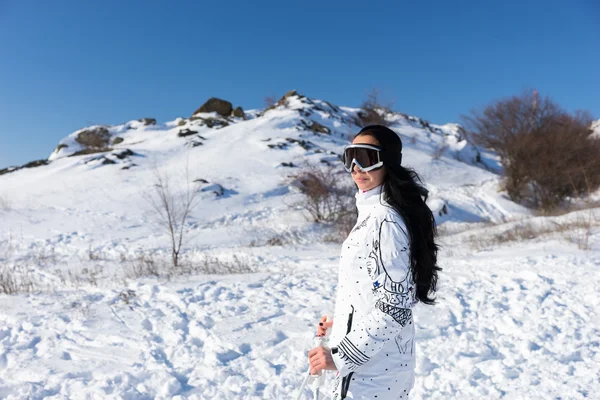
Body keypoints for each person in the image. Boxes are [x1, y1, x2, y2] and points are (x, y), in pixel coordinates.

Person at [307, 125, 441, 399]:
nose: (356, 167)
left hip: (374, 376)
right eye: (349, 157)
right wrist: (343, 320)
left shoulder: (385, 220)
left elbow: (396, 308)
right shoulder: (373, 215)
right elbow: (376, 289)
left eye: (366, 157)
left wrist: (341, 356)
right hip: (371, 369)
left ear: (387, 162)